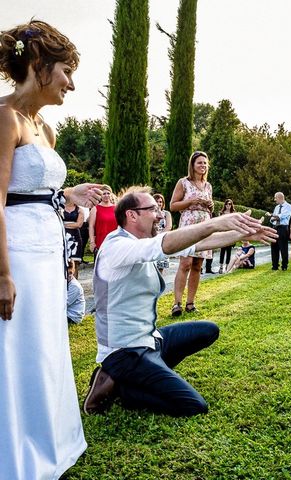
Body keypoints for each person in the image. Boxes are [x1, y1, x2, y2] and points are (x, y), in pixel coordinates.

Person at [0, 19, 104, 479]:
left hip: (47, 251)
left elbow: (38, 191)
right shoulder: (5, 119)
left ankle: (51, 438)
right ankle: (15, 447)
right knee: (15, 347)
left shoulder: (48, 130)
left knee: (45, 345)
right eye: (66, 72)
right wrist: (2, 274)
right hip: (16, 253)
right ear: (39, 66)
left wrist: (71, 194)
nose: (71, 84)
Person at [83, 186, 276, 417]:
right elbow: (166, 243)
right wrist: (214, 222)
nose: (159, 215)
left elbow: (196, 244)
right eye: (152, 210)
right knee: (193, 406)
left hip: (149, 340)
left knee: (207, 331)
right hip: (124, 353)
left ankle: (146, 374)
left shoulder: (142, 241)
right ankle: (122, 387)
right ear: (131, 215)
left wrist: (241, 235)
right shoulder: (117, 247)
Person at [170, 151, 214, 316]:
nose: (203, 165)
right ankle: (177, 303)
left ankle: (191, 303)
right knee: (186, 263)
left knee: (197, 265)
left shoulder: (208, 186)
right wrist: (191, 201)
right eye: (199, 163)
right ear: (193, 165)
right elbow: (173, 205)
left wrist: (210, 205)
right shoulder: (184, 183)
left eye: (205, 163)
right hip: (188, 224)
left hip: (204, 226)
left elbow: (210, 209)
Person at [208, 198, 235, 274]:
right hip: (223, 234)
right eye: (227, 204)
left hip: (230, 234)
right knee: (222, 251)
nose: (228, 205)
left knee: (228, 252)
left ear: (231, 205)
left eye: (230, 204)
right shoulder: (221, 213)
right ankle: (221, 266)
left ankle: (227, 266)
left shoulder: (233, 213)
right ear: (225, 205)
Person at [88, 185, 117, 255]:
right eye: (104, 194)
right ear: (100, 195)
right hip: (101, 243)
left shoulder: (116, 209)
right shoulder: (95, 209)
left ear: (111, 194)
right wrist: (92, 242)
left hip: (115, 243)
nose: (106, 195)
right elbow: (91, 226)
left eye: (108, 193)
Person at [270, 191, 291, 271]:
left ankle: (284, 265)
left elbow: (282, 216)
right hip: (275, 228)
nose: (275, 200)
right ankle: (275, 265)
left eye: (275, 198)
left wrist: (274, 217)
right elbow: (272, 219)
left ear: (279, 197)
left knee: (283, 247)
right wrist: (274, 217)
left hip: (283, 228)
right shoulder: (276, 207)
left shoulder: (288, 206)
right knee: (274, 246)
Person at [152, 193, 172, 273]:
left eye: (160, 202)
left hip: (162, 240)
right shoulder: (150, 213)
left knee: (161, 266)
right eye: (157, 201)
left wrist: (159, 236)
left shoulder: (166, 213)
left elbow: (169, 226)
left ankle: (160, 284)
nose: (159, 203)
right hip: (152, 240)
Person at [63, 197, 85, 266]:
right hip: (62, 236)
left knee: (75, 262)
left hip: (75, 237)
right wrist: (72, 224)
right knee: (63, 261)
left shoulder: (80, 210)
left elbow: (79, 224)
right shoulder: (60, 209)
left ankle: (75, 277)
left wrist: (63, 224)